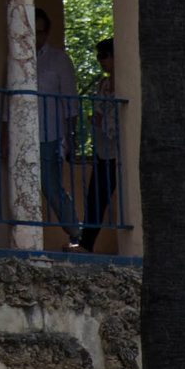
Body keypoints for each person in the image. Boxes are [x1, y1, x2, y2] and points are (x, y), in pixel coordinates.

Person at [33, 4, 79, 238]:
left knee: (50, 186)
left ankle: (75, 232)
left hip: (50, 135)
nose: (35, 37)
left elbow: (70, 103)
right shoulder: (17, 58)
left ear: (46, 33)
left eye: (39, 32)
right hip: (24, 135)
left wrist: (70, 137)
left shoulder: (59, 60)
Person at [77, 31, 121, 251]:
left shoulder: (125, 85)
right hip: (103, 150)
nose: (101, 61)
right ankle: (86, 244)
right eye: (99, 57)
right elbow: (99, 117)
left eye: (104, 56)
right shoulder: (102, 86)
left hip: (119, 152)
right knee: (95, 197)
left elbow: (114, 122)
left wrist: (102, 121)